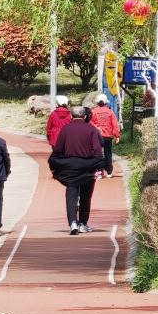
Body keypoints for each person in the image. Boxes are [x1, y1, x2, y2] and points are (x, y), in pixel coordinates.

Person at [49, 106, 105, 235]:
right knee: (86, 196)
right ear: (85, 116)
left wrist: (57, 164)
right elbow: (97, 150)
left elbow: (58, 150)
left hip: (70, 168)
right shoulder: (91, 129)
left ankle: (73, 222)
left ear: (71, 116)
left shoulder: (65, 129)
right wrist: (99, 166)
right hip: (87, 167)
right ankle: (83, 223)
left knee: (71, 195)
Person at [90, 93, 121, 177]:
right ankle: (109, 172)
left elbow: (90, 123)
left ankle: (99, 172)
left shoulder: (93, 111)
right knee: (108, 154)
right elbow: (115, 124)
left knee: (97, 154)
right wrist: (117, 135)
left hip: (97, 136)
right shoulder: (110, 112)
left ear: (97, 102)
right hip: (108, 136)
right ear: (106, 102)